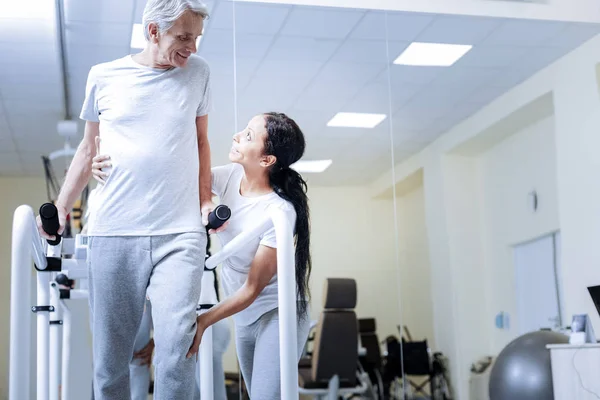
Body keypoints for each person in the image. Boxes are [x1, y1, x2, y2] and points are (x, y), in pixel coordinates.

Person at [37, 0, 220, 397]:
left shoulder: (198, 74)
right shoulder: (104, 76)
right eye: (184, 37)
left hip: (181, 233)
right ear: (153, 31)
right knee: (111, 361)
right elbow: (87, 150)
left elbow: (202, 141)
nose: (193, 48)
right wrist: (62, 206)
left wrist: (205, 201)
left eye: (197, 38)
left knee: (176, 350)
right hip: (115, 232)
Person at [93, 112, 313, 399]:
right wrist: (114, 164)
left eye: (248, 135)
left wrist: (204, 320)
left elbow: (252, 288)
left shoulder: (279, 212)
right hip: (245, 317)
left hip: (278, 311)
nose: (237, 135)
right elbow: (183, 176)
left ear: (266, 160)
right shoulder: (234, 175)